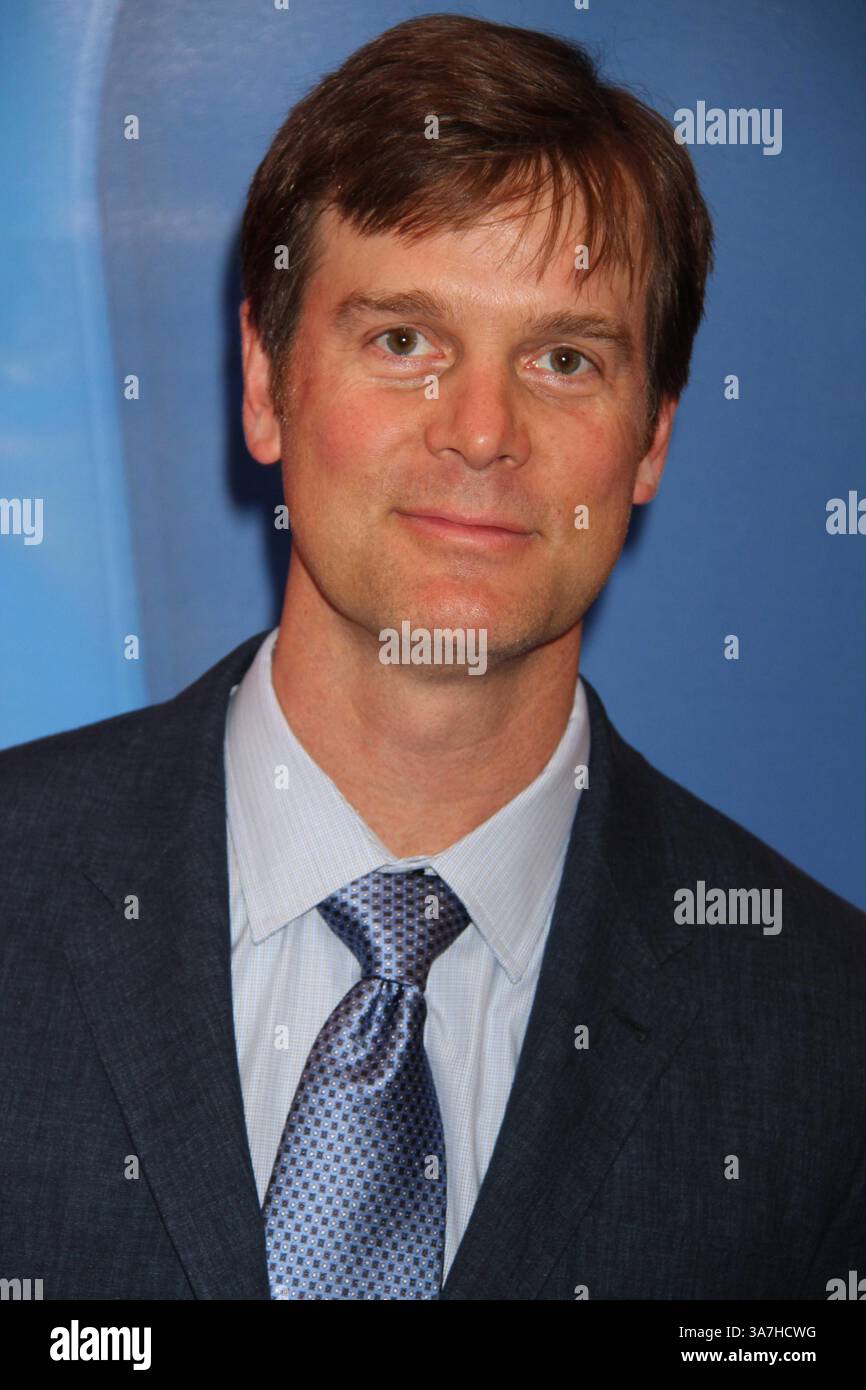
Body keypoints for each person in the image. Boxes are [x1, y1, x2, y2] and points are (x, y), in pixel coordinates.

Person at [1, 13, 864, 1302]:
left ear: (650, 441)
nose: (480, 431)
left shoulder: (828, 1040)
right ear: (265, 382)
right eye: (404, 340)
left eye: (564, 359)